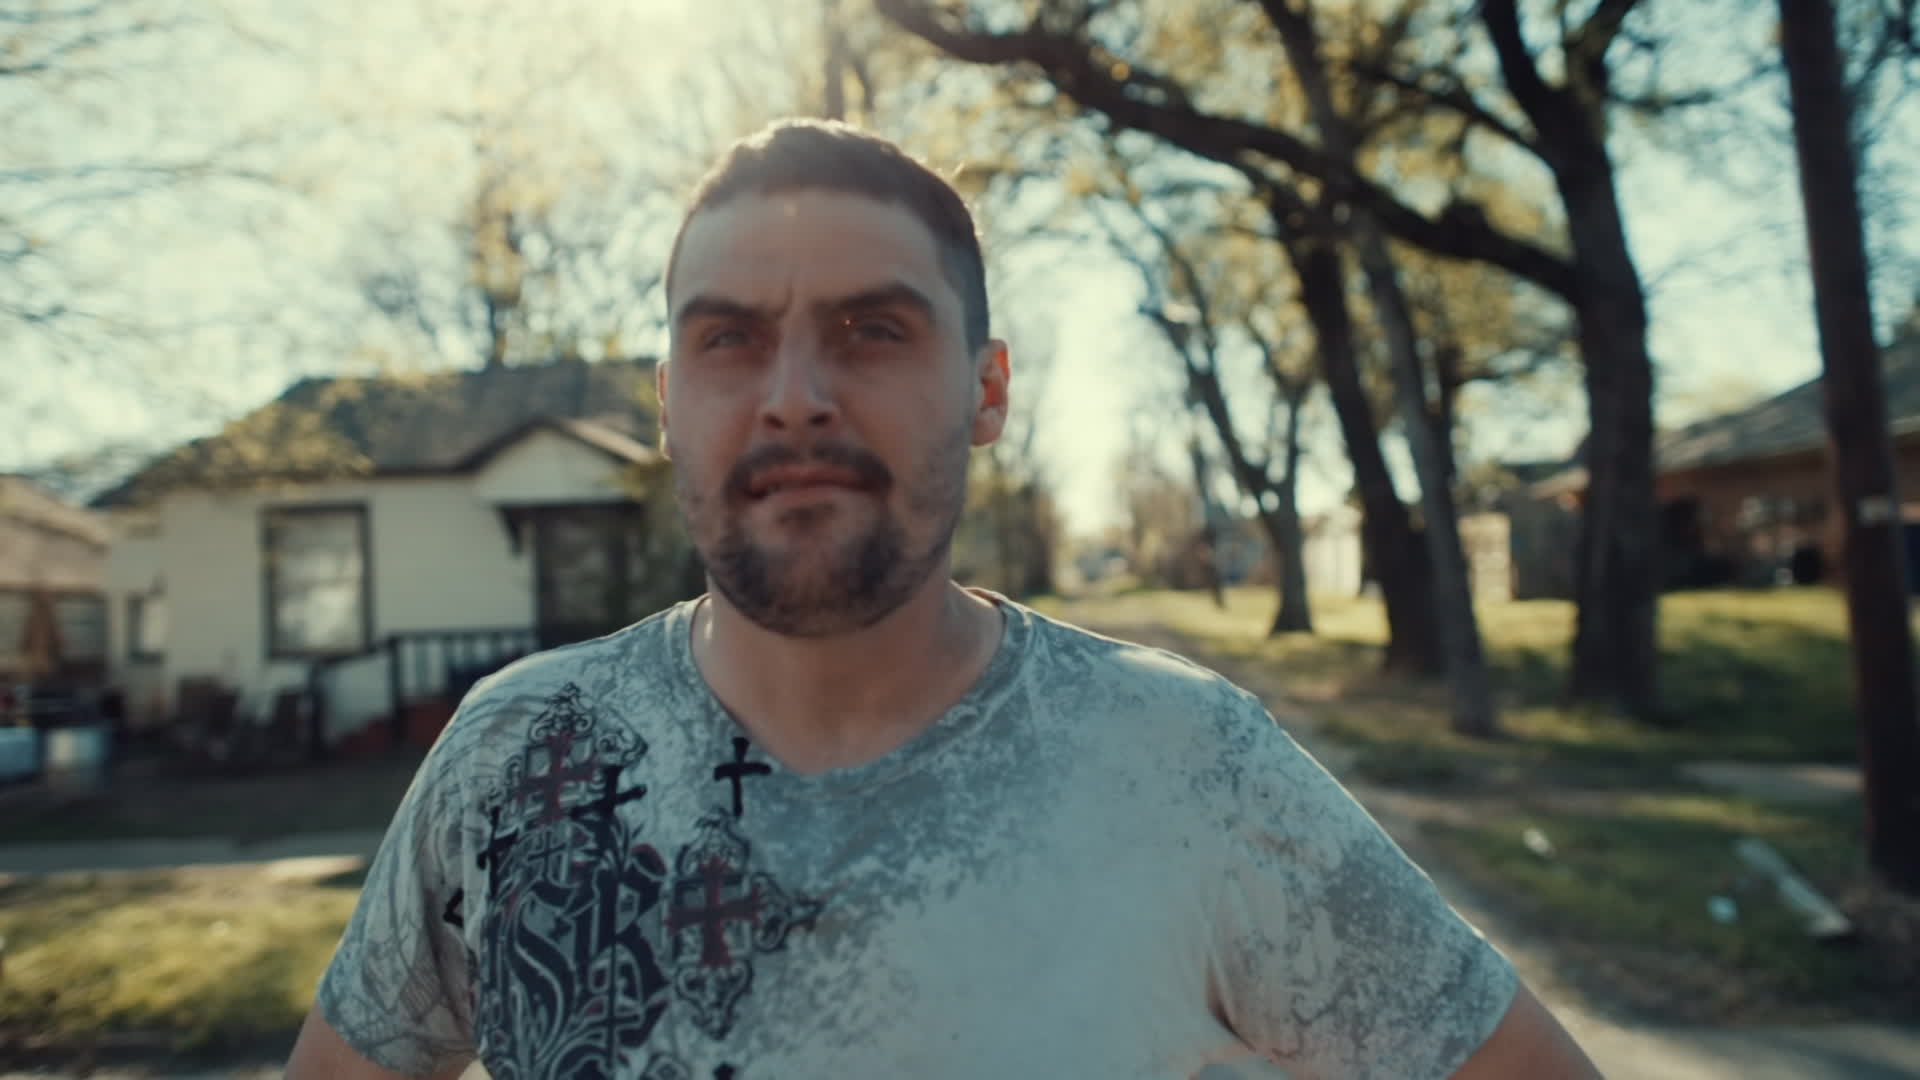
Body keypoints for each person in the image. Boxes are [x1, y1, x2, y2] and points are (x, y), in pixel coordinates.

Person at [286, 119, 1602, 1080]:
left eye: (873, 330)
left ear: (987, 389)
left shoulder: (1184, 765)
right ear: (670, 401)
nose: (794, 397)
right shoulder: (516, 762)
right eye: (729, 338)